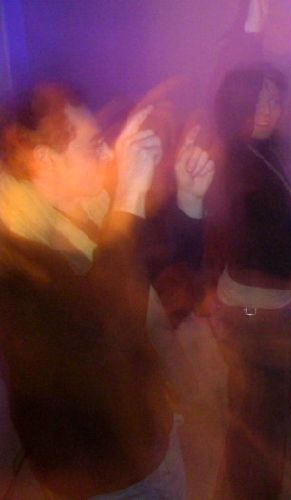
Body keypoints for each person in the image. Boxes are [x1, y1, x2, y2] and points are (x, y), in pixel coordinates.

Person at [0, 84, 213, 498]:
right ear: (45, 160)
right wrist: (129, 194)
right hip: (94, 472)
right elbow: (100, 334)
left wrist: (189, 200)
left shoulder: (96, 206)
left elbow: (166, 280)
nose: (107, 154)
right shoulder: (14, 254)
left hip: (150, 432)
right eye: (92, 145)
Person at [208, 62, 291, 499]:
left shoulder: (266, 150)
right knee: (258, 425)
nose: (269, 109)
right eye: (259, 99)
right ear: (238, 103)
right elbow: (243, 240)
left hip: (269, 306)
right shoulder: (236, 160)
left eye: (275, 99)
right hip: (252, 312)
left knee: (271, 414)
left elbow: (281, 224)